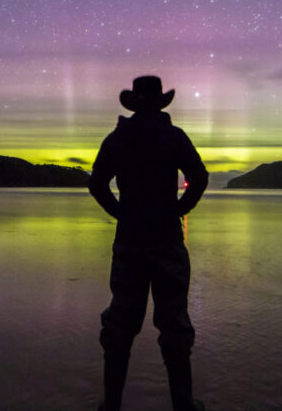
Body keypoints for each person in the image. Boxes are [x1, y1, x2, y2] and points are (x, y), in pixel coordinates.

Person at [89, 75, 208, 411]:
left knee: (120, 325)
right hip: (166, 239)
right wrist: (178, 210)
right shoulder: (173, 137)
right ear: (159, 103)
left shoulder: (118, 139)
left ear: (135, 104)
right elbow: (199, 178)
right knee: (173, 324)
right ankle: (183, 406)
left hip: (130, 240)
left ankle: (111, 405)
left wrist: (121, 214)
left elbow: (97, 184)